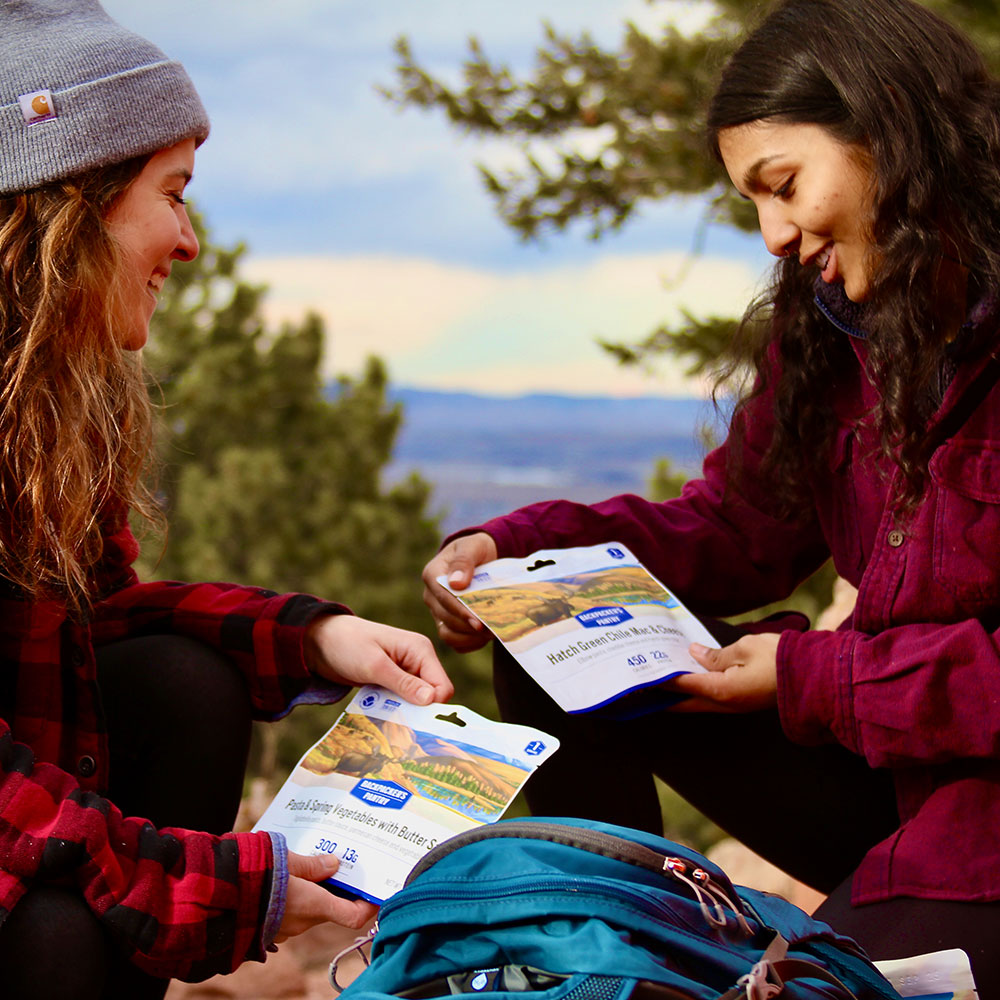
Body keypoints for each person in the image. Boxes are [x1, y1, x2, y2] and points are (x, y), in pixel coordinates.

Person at [423, 0, 1000, 992]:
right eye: (751, 205)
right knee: (543, 633)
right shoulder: (831, 332)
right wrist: (513, 546)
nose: (773, 234)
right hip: (886, 769)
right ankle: (606, 956)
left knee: (826, 984)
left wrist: (811, 677)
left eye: (782, 186)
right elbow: (734, 528)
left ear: (890, 127)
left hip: (978, 820)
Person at [0, 2, 453, 998]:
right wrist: (230, 889)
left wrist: (311, 638)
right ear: (63, 207)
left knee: (179, 676)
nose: (190, 241)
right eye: (173, 193)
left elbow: (89, 626)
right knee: (53, 935)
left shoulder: (50, 410)